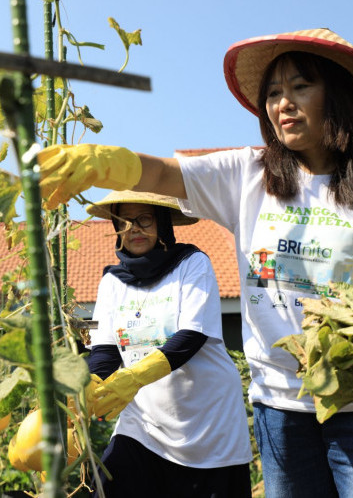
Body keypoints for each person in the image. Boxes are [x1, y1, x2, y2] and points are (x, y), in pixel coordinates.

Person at [37, 29, 353, 498]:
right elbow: (166, 174)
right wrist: (103, 161)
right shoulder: (248, 175)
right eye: (273, 93)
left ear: (338, 95)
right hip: (282, 407)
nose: (283, 104)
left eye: (300, 87)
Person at [85, 190, 252, 498]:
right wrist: (91, 387)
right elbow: (105, 352)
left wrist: (133, 377)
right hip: (144, 425)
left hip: (207, 425)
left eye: (144, 219)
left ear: (162, 223)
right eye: (123, 220)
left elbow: (191, 337)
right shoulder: (112, 282)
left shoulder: (192, 264)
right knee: (108, 487)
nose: (134, 228)